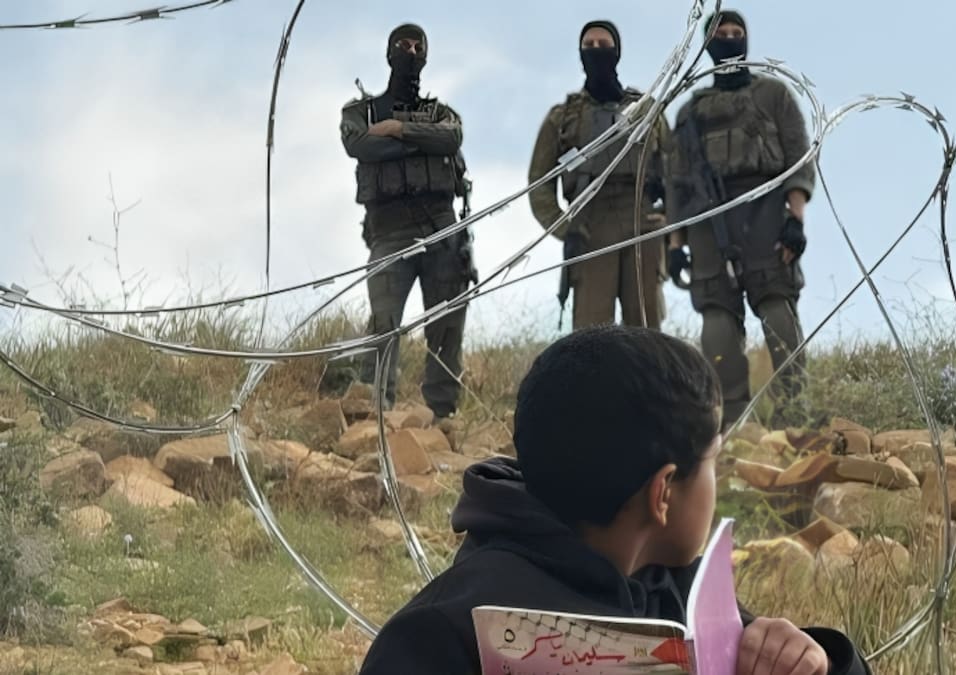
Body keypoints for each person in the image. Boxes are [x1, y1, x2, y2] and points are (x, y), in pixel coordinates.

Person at [358, 325, 872, 675]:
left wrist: (820, 660)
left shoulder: (690, 601)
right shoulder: (446, 634)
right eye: (714, 460)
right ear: (663, 492)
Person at [666, 9, 814, 430]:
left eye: (737, 33)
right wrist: (676, 246)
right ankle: (733, 422)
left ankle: (793, 414)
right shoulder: (689, 114)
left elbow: (798, 157)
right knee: (716, 316)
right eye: (721, 34)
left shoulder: (773, 95)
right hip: (708, 219)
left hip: (765, 208)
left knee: (776, 304)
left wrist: (795, 218)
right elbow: (677, 183)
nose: (730, 39)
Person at [340, 23, 477, 421]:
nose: (411, 52)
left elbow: (451, 139)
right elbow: (360, 144)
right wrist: (421, 138)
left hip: (442, 227)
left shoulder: (443, 114)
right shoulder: (360, 112)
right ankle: (375, 412)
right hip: (388, 230)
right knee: (384, 322)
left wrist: (399, 129)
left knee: (447, 324)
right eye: (404, 44)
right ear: (389, 52)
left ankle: (443, 416)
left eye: (418, 46)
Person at [527, 20, 673, 332]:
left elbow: (678, 172)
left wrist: (669, 226)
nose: (596, 52)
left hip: (642, 220)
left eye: (603, 45)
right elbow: (539, 187)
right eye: (588, 46)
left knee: (647, 335)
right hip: (590, 226)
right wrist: (568, 230)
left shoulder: (647, 111)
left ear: (617, 51)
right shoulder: (563, 117)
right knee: (591, 338)